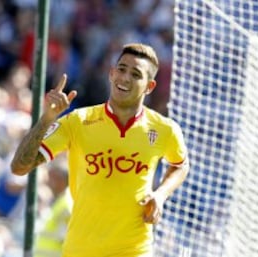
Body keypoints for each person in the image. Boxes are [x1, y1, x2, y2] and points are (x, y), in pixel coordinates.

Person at [11, 43, 189, 257]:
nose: (125, 78)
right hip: (81, 250)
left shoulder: (164, 129)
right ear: (111, 73)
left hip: (134, 250)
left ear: (149, 86)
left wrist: (160, 195)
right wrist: (46, 120)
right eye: (121, 69)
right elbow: (20, 167)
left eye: (135, 74)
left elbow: (180, 165)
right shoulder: (78, 122)